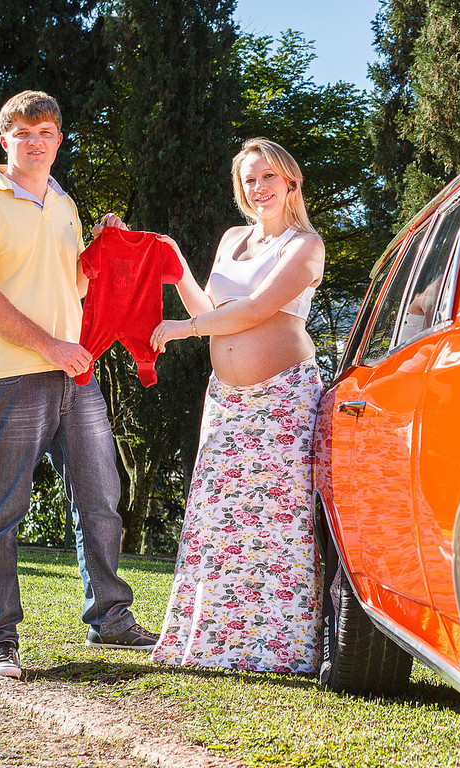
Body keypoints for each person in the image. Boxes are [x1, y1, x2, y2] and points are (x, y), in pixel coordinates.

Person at [0, 90, 159, 680]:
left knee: (101, 497)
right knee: (3, 508)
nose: (35, 142)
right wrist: (52, 347)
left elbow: (75, 287)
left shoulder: (65, 205)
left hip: (74, 373)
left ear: (58, 140)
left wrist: (103, 245)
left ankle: (110, 618)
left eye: (45, 132)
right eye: (23, 133)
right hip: (9, 375)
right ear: (4, 140)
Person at [147, 137, 326, 673]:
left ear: (290, 180)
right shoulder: (232, 239)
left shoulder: (305, 245)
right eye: (249, 179)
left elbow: (253, 310)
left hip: (282, 400)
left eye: (269, 175)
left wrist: (185, 329)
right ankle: (214, 642)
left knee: (278, 522)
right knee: (219, 517)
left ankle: (281, 650)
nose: (258, 187)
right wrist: (175, 264)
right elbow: (212, 307)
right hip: (225, 400)